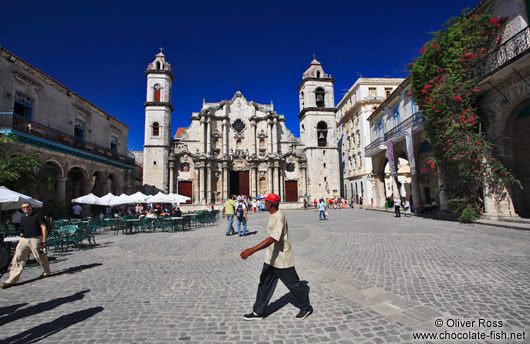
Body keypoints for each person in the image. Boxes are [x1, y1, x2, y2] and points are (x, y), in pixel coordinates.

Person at [240, 193, 312, 320]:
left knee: (294, 285)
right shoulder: (272, 216)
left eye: (266, 201)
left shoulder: (279, 217)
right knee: (264, 284)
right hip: (271, 258)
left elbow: (273, 238)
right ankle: (258, 312)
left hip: (282, 259)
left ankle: (306, 307)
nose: (264, 203)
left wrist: (252, 250)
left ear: (271, 204)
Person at [1, 202, 51, 289]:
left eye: (27, 207)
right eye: (24, 207)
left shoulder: (37, 216)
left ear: (31, 207)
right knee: (18, 258)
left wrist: (44, 240)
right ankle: (11, 280)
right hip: (24, 240)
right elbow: (22, 228)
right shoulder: (23, 217)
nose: (26, 209)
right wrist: (21, 233)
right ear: (22, 209)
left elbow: (43, 227)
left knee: (40, 257)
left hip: (35, 239)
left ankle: (47, 272)